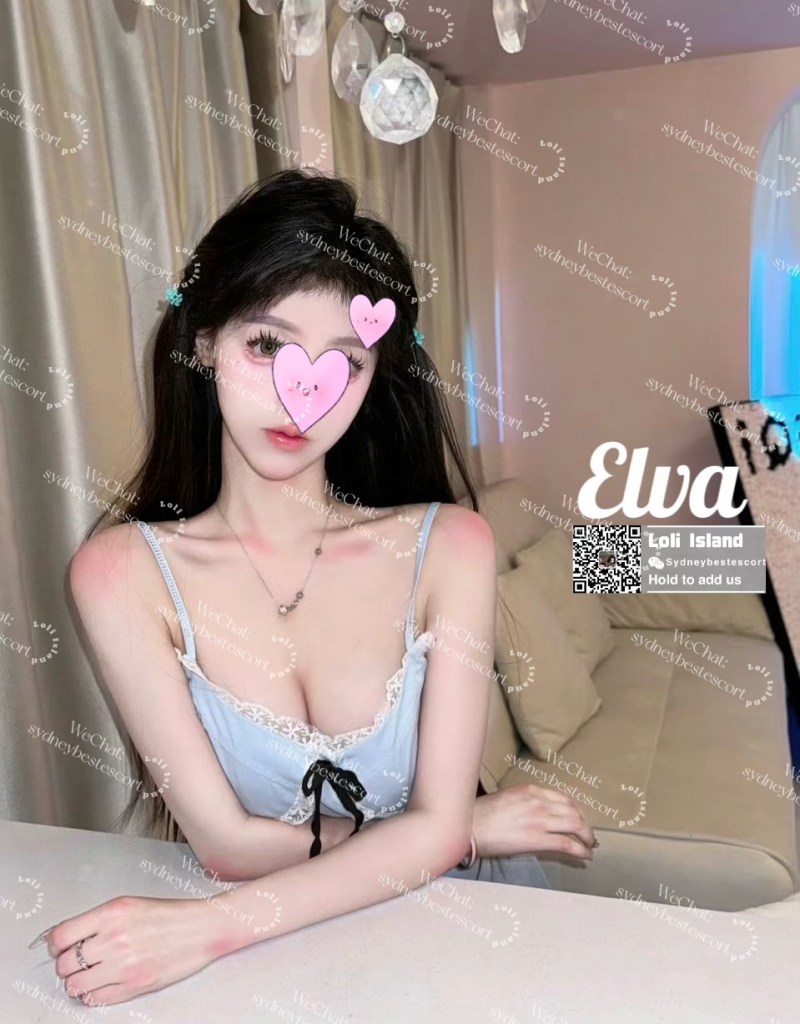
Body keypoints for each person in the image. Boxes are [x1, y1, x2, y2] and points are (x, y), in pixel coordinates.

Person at [45, 170, 595, 1006]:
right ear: (204, 344)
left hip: (459, 920)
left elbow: (427, 832)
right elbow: (226, 846)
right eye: (267, 346)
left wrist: (206, 928)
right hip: (282, 958)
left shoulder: (450, 546)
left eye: (346, 360)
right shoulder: (121, 574)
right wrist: (455, 830)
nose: (304, 393)